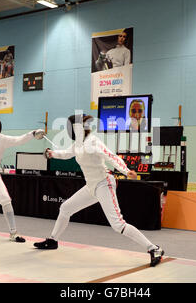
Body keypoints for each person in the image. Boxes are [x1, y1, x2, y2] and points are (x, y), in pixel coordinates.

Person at [34, 114, 164, 267]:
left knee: (118, 224)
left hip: (104, 184)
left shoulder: (93, 142)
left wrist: (125, 170)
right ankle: (53, 240)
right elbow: (67, 154)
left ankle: (154, 248)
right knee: (65, 208)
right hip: (91, 186)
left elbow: (111, 156)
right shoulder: (78, 144)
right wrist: (52, 154)